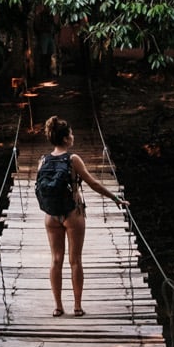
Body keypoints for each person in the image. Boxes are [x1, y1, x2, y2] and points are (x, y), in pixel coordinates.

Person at [35, 115, 122, 316]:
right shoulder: (72, 159)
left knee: (56, 260)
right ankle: (77, 306)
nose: (73, 136)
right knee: (75, 261)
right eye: (71, 134)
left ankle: (58, 307)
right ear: (66, 138)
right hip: (72, 213)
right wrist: (115, 198)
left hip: (51, 215)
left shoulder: (42, 160)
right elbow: (93, 183)